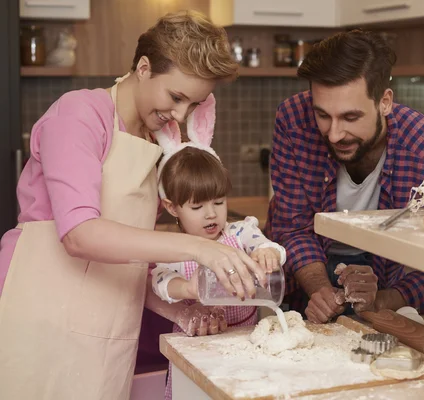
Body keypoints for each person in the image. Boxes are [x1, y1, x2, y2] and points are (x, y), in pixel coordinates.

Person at [0, 10, 265, 400]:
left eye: (193, 104)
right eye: (175, 97)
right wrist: (199, 247)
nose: (179, 115)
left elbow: (131, 255)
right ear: (143, 67)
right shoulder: (79, 115)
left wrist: (178, 311)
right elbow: (80, 235)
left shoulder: (162, 144)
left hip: (108, 321)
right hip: (40, 310)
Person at [265, 29, 424, 324]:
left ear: (384, 102)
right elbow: (291, 228)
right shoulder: (293, 121)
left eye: (350, 117)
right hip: (303, 275)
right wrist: (320, 289)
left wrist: (384, 298)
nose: (333, 134)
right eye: (322, 115)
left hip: (386, 286)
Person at [148, 110, 286, 400]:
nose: (211, 214)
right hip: (196, 348)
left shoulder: (239, 234)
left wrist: (268, 254)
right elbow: (159, 282)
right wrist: (187, 288)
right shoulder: (173, 248)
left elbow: (268, 246)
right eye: (197, 207)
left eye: (219, 202)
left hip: (244, 342)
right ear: (173, 208)